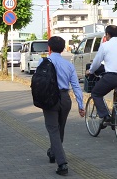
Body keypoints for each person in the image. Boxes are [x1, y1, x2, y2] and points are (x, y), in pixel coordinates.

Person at [38, 36, 85, 176]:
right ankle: (53, 152)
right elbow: (76, 86)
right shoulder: (69, 65)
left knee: (53, 130)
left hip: (49, 99)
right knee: (60, 129)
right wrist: (81, 105)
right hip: (65, 99)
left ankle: (62, 163)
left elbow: (38, 82)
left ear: (49, 48)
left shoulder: (44, 62)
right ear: (63, 49)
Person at [85, 25, 117, 128]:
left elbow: (97, 62)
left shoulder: (105, 45)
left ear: (107, 34)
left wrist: (90, 71)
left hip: (112, 78)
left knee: (96, 93)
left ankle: (105, 116)